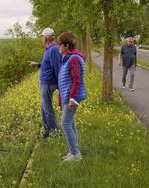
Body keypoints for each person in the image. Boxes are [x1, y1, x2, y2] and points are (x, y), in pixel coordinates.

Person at [57, 32, 87, 161]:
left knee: (65, 124)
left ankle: (75, 154)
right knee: (71, 123)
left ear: (66, 45)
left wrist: (72, 99)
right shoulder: (68, 58)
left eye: (60, 45)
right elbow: (64, 81)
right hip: (68, 97)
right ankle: (74, 151)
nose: (58, 47)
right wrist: (61, 100)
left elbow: (76, 80)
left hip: (72, 97)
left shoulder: (73, 59)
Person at [30, 28, 61, 138]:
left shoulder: (53, 49)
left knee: (48, 109)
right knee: (44, 108)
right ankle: (47, 130)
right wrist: (38, 65)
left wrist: (60, 86)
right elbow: (48, 65)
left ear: (47, 38)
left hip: (48, 83)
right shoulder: (49, 49)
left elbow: (57, 67)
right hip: (46, 83)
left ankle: (55, 133)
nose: (41, 39)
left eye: (42, 37)